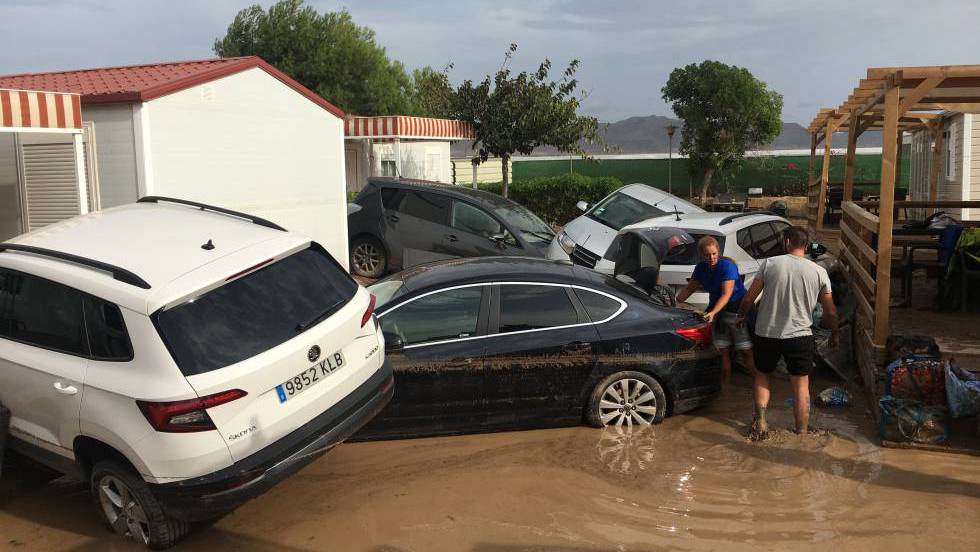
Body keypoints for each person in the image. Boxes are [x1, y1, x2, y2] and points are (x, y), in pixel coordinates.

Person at [736, 226, 839, 439]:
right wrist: (835, 334)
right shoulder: (819, 271)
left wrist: (741, 316)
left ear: (787, 242)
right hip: (800, 336)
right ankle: (801, 432)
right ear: (806, 245)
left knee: (763, 375)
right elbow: (830, 311)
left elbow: (748, 299)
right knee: (801, 385)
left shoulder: (770, 264)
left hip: (767, 332)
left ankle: (761, 420)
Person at [676, 236, 755, 383]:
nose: (711, 258)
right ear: (701, 255)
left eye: (714, 254)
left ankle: (759, 382)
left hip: (736, 309)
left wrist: (712, 313)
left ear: (718, 251)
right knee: (721, 350)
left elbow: (726, 295)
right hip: (716, 310)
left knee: (745, 350)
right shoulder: (701, 267)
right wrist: (675, 302)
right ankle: (725, 388)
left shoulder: (727, 266)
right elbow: (689, 288)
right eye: (707, 255)